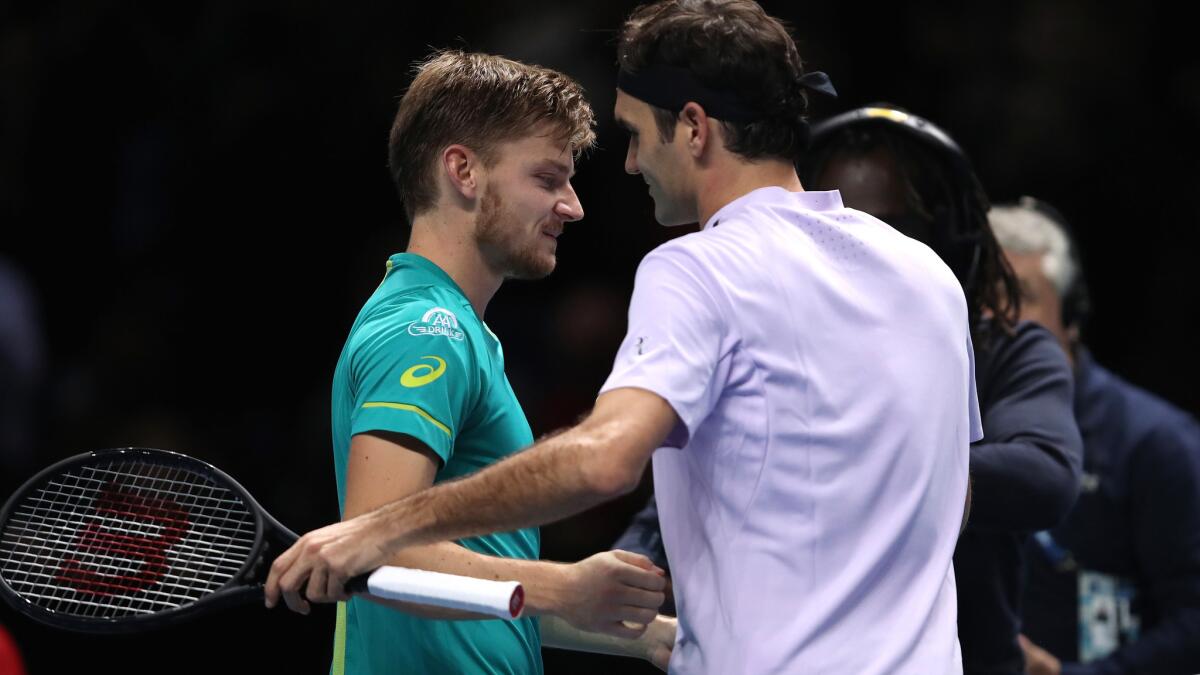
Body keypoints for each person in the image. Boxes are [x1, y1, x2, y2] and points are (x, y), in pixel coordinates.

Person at [267, 2, 981, 673]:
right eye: (549, 177)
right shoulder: (927, 274)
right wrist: (579, 597)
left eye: (636, 135)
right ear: (460, 171)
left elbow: (603, 459)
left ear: (695, 128)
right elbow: (954, 495)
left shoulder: (697, 268)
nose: (624, 170)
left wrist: (384, 530)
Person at [314, 49, 674, 675]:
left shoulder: (455, 328)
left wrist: (636, 635)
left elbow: (472, 589)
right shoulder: (428, 330)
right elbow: (374, 546)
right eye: (546, 178)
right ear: (464, 171)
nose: (573, 206)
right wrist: (564, 585)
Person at [799, 106, 1085, 675]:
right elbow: (673, 511)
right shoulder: (775, 340)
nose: (859, 251)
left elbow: (1045, 471)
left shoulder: (1006, 349)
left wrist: (860, 473)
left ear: (947, 242)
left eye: (886, 228)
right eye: (834, 229)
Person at [989, 198, 1200, 675]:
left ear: (1072, 317)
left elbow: (1194, 621)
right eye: (984, 295)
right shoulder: (950, 429)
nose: (997, 316)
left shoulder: (1157, 444)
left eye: (1019, 294)